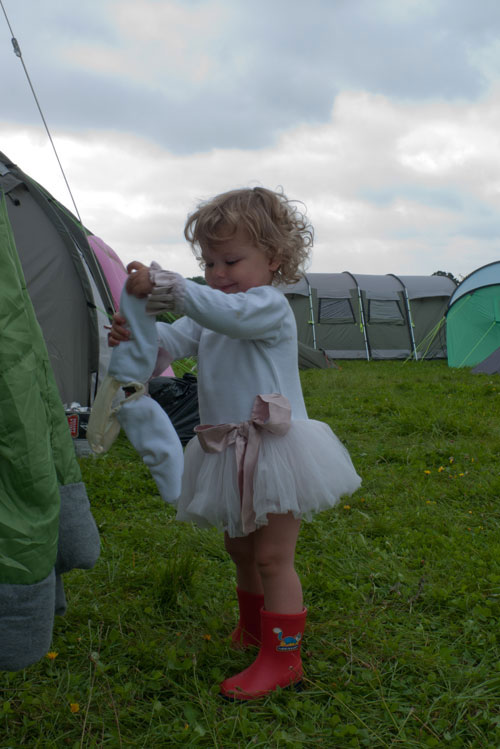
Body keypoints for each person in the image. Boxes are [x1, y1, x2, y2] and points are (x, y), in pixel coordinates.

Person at [109, 186, 361, 700]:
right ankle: (252, 630)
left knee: (272, 556)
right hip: (227, 448)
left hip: (276, 450)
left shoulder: (265, 307)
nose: (218, 274)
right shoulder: (212, 310)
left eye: (231, 260)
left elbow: (225, 316)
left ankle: (283, 656)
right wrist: (134, 334)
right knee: (238, 547)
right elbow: (168, 348)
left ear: (273, 260)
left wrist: (176, 289)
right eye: (208, 262)